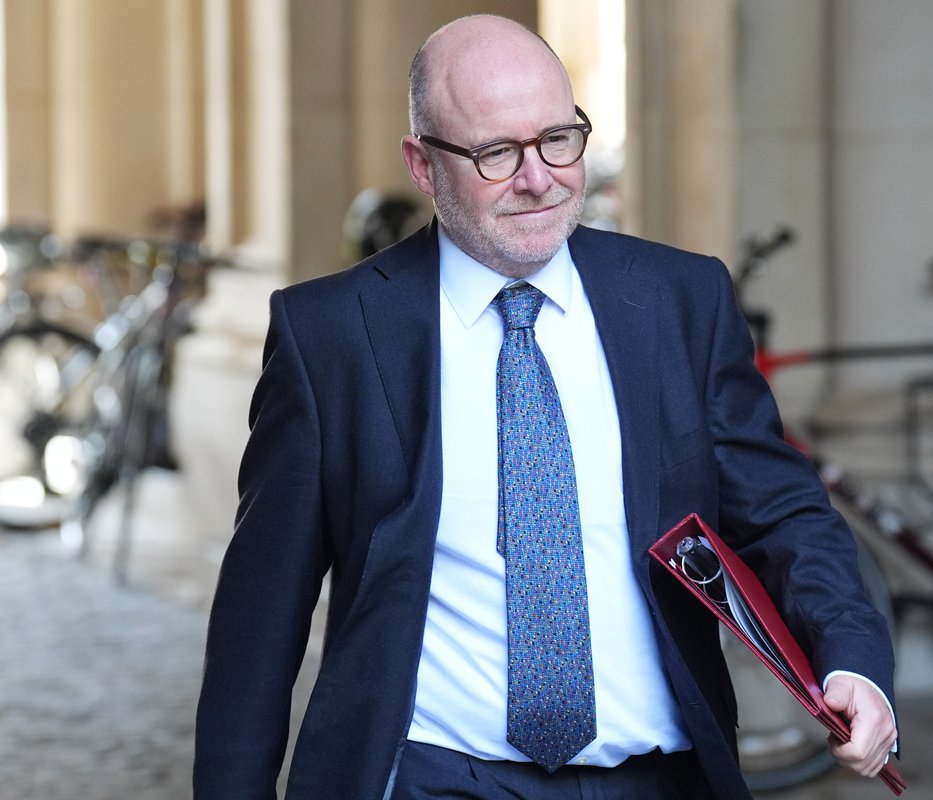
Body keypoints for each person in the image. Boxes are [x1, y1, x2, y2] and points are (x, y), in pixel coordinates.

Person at [194, 14, 897, 799]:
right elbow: (261, 616)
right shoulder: (331, 336)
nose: (539, 177)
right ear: (423, 165)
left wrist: (852, 660)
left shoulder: (677, 301)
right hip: (429, 775)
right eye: (497, 153)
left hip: (656, 779)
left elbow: (783, 512)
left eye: (559, 139)